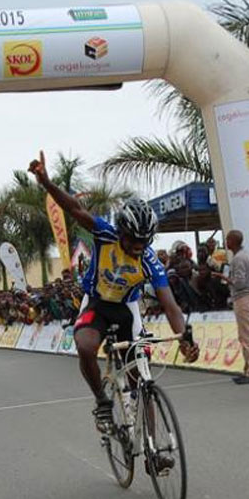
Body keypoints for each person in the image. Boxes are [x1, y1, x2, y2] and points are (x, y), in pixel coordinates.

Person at [28, 150, 199, 435]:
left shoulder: (148, 260)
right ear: (121, 232)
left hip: (127, 308)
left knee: (140, 376)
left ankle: (154, 446)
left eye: (144, 241)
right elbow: (73, 209)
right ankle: (102, 401)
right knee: (85, 346)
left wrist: (183, 338)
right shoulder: (105, 234)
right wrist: (46, 183)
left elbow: (169, 304)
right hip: (96, 302)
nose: (138, 246)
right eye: (133, 239)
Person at [212, 230, 249, 384]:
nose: (226, 242)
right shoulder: (247, 255)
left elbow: (239, 282)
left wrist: (224, 278)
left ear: (233, 241)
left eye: (227, 239)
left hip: (242, 297)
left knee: (247, 336)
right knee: (246, 335)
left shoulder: (238, 259)